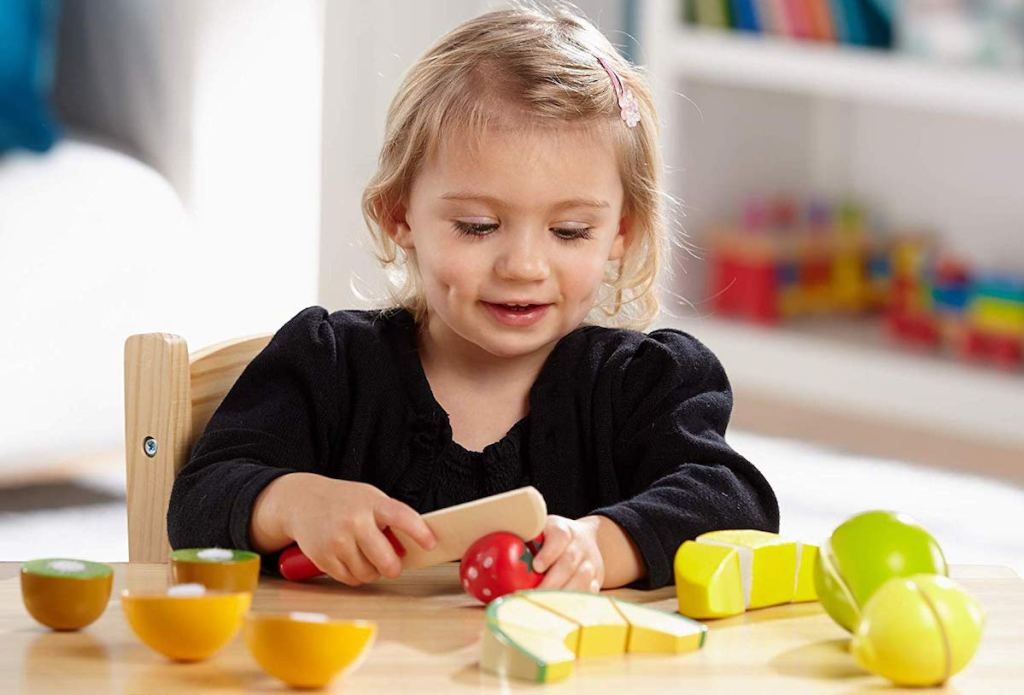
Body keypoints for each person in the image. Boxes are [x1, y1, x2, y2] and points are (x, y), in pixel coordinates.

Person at [167, 3, 779, 592]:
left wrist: (605, 543)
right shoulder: (330, 365)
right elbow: (199, 499)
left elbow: (736, 504)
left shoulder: (647, 383)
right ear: (398, 213)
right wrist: (294, 502)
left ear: (621, 233)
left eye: (569, 232)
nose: (523, 267)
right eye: (479, 226)